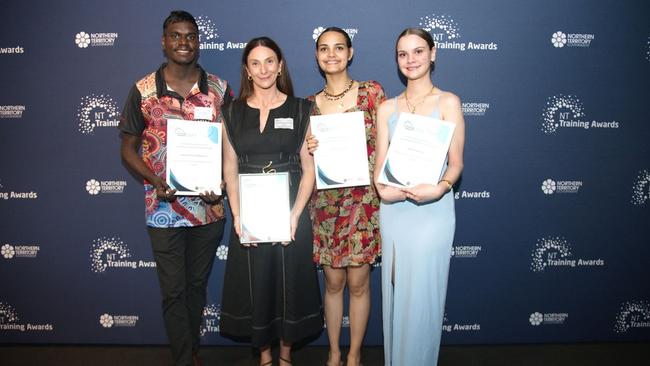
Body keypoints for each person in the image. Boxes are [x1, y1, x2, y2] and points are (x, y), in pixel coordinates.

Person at [118, 10, 231, 366]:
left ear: (199, 42)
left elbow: (231, 146)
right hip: (162, 209)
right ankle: (185, 359)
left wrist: (222, 184)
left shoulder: (219, 89)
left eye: (190, 36)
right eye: (176, 36)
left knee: (196, 288)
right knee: (173, 291)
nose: (184, 42)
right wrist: (154, 180)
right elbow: (127, 148)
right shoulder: (143, 90)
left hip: (208, 208)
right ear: (164, 42)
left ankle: (191, 352)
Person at [219, 36, 323, 366]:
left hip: (290, 208)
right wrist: (236, 214)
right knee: (257, 283)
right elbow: (230, 167)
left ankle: (287, 355)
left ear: (280, 66)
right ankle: (264, 355)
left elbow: (309, 169)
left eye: (269, 61)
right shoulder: (231, 113)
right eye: (255, 63)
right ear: (246, 71)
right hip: (249, 211)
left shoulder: (302, 108)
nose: (263, 69)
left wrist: (295, 215)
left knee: (289, 283)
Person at [374, 28, 465, 366]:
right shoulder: (387, 108)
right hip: (395, 213)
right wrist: (387, 191)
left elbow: (456, 164)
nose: (410, 60)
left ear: (433, 54)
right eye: (402, 54)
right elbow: (380, 172)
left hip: (433, 211)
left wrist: (440, 187)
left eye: (418, 52)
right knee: (398, 295)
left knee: (422, 298)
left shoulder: (448, 102)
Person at [306, 27, 384, 366]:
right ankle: (334, 352)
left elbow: (388, 141)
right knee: (333, 282)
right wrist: (308, 149)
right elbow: (305, 163)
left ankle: (354, 355)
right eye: (324, 49)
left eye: (339, 47)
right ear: (317, 56)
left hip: (364, 203)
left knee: (359, 283)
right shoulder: (309, 105)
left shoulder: (371, 93)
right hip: (325, 205)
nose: (332, 54)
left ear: (350, 53)